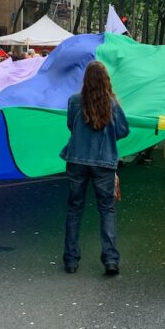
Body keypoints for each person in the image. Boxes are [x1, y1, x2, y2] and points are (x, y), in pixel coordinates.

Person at [60, 61, 129, 276]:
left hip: (77, 159)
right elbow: (123, 130)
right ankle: (110, 259)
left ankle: (71, 260)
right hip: (104, 162)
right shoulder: (112, 104)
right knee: (106, 210)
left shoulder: (74, 101)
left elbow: (71, 126)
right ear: (105, 80)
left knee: (74, 209)